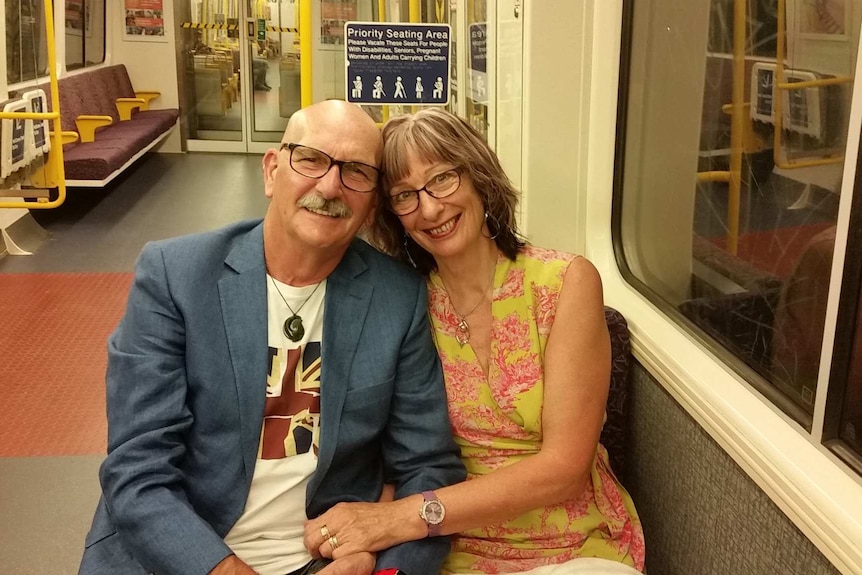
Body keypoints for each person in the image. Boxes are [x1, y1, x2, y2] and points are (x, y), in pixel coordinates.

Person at [79, 101, 466, 575]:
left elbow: (428, 466)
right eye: (311, 159)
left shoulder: (396, 297)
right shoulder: (176, 277)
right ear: (271, 170)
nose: (329, 186)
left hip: (323, 560)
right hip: (184, 555)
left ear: (371, 206)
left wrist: (387, 569)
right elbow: (137, 471)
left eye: (357, 172)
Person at [304, 108, 645, 575]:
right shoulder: (401, 304)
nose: (429, 208)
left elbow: (565, 468)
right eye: (405, 196)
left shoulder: (564, 283)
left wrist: (402, 518)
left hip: (571, 543)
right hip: (446, 549)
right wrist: (364, 537)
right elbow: (381, 447)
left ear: (478, 174)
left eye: (442, 179)